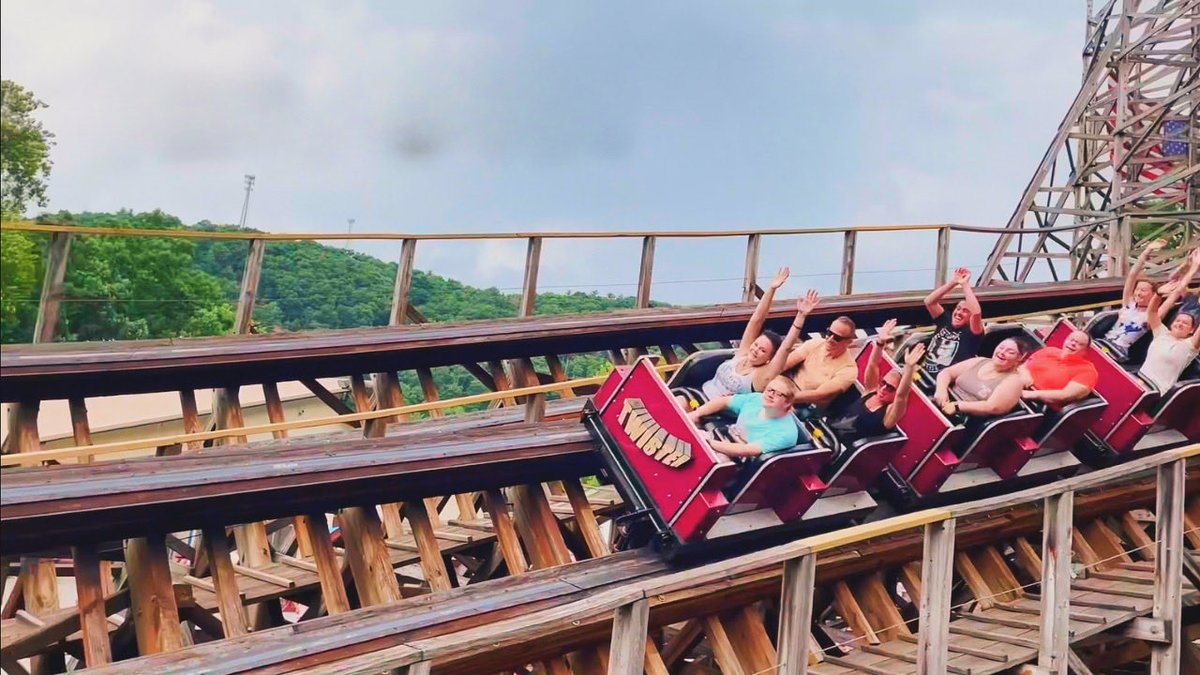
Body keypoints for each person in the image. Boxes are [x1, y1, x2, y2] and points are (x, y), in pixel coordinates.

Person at [675, 268, 816, 407]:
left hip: (713, 411)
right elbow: (756, 320)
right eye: (755, 345)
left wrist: (801, 316)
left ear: (769, 358)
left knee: (679, 403)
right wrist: (772, 289)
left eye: (762, 350)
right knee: (675, 399)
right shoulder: (743, 354)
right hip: (696, 393)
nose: (755, 350)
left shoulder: (761, 376)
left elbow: (785, 348)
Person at [827, 319, 925, 443]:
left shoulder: (889, 415)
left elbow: (902, 396)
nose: (883, 389)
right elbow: (873, 365)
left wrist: (909, 368)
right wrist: (880, 342)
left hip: (842, 449)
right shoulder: (871, 391)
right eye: (883, 383)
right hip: (827, 431)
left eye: (890, 388)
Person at [687, 376, 801, 460]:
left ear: (788, 402)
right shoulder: (757, 398)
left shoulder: (786, 433)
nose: (770, 395)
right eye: (769, 390)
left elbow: (746, 450)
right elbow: (724, 401)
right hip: (724, 435)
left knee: (705, 458)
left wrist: (708, 443)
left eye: (778, 394)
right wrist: (696, 414)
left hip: (739, 459)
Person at [933, 338, 1032, 418]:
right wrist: (941, 391)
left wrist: (958, 406)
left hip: (966, 419)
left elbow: (993, 407)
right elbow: (947, 372)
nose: (1002, 352)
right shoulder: (980, 360)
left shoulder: (1014, 382)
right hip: (943, 402)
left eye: (1010, 352)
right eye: (1001, 348)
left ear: (1019, 360)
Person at [1139, 262, 1200, 392]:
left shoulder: (1189, 347)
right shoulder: (1162, 333)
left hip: (1157, 390)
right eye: (1178, 321)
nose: (1180, 323)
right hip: (1139, 381)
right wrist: (1158, 294)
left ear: (1191, 330)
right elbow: (1152, 313)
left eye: (1185, 323)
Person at [783, 314, 860, 412]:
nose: (830, 339)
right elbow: (785, 364)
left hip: (804, 404)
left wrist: (784, 396)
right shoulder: (816, 343)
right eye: (829, 332)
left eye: (837, 338)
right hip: (786, 384)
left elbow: (819, 394)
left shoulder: (849, 369)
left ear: (848, 342)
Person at [1102, 239, 1166, 354]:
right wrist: (1147, 251)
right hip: (1104, 342)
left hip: (1118, 350)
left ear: (1152, 295)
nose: (1138, 293)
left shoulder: (1151, 316)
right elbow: (1131, 276)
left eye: (1143, 290)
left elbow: (1166, 302)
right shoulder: (1129, 304)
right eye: (1137, 289)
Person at [1019, 330, 1099, 409]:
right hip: (1017, 384)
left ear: (1085, 350)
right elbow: (1023, 365)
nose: (1073, 344)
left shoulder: (1087, 371)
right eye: (1071, 340)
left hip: (1038, 405)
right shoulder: (1049, 350)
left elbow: (1066, 395)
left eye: (1080, 344)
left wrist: (1031, 394)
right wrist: (1025, 373)